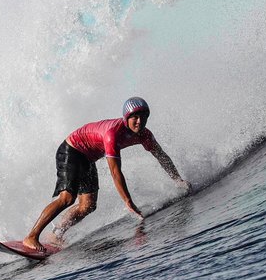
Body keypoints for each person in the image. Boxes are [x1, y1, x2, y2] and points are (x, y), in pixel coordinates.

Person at [23, 97, 191, 251]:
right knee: (67, 198)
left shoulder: (145, 135)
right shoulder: (113, 134)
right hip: (72, 151)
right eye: (135, 118)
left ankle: (56, 234)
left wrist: (178, 180)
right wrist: (128, 201)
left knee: (87, 205)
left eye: (143, 117)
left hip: (87, 158)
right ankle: (31, 237)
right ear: (126, 118)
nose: (139, 122)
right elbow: (115, 172)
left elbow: (161, 156)